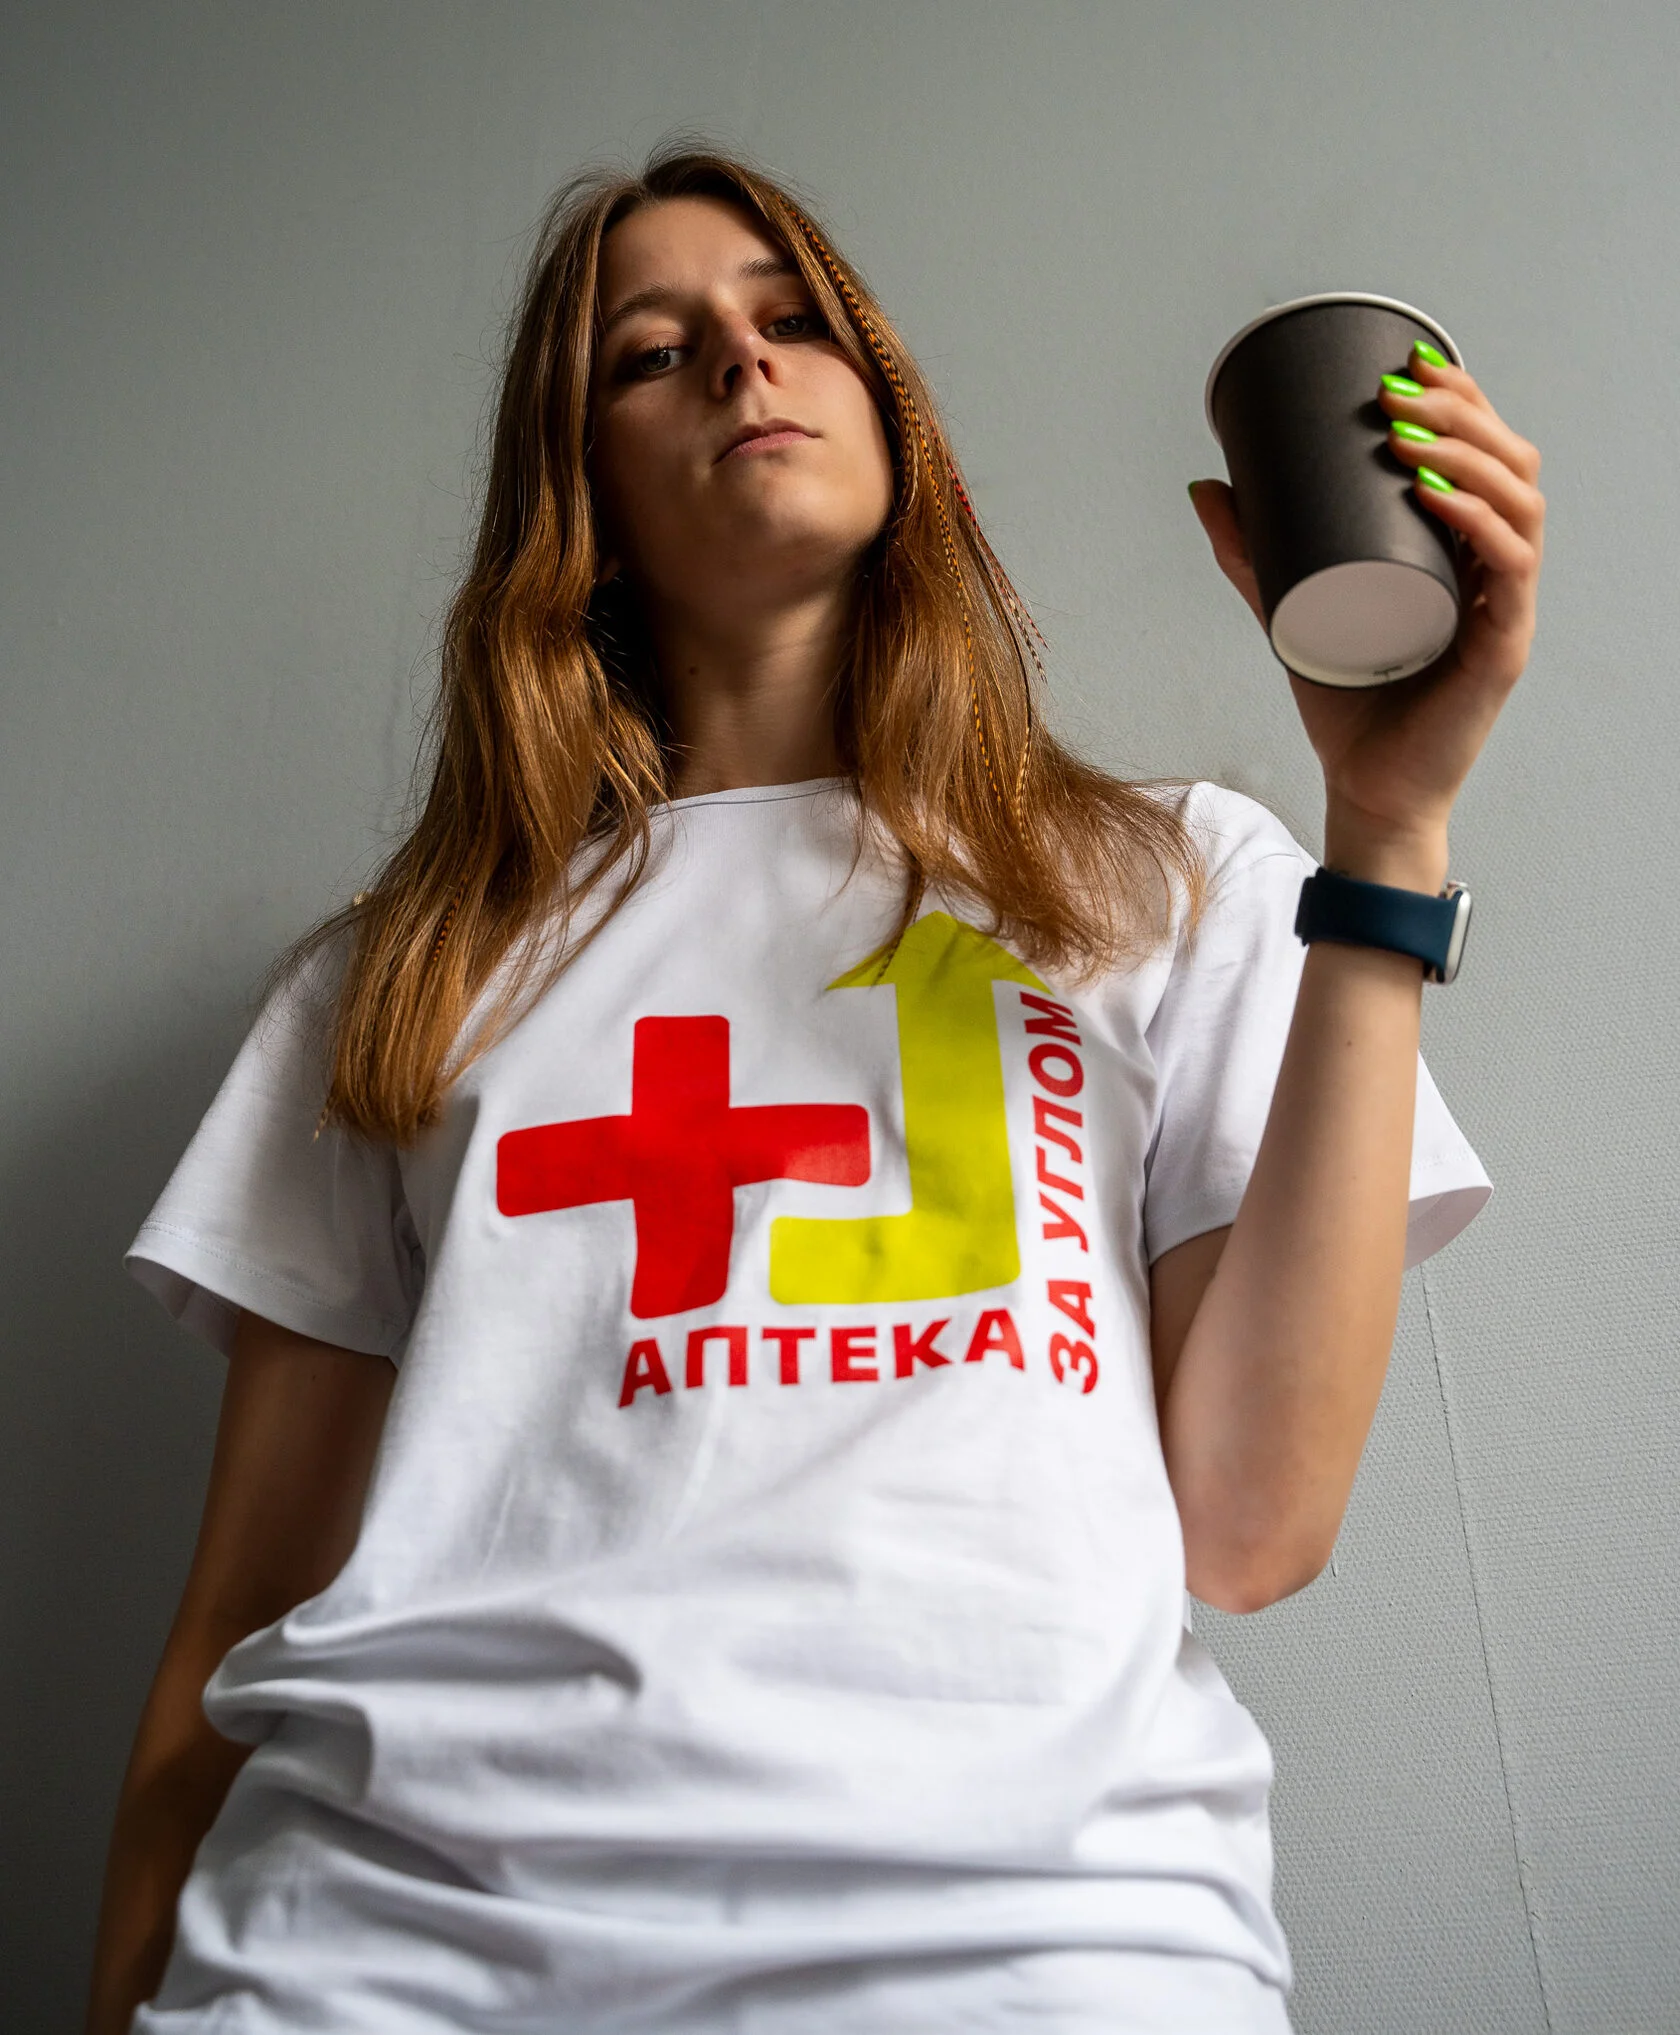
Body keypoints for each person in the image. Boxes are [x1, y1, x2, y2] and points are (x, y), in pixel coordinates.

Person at [84, 140, 1543, 2035]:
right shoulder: (403, 971)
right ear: (582, 492)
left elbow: (1256, 1525)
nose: (739, 360)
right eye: (652, 350)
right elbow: (231, 1627)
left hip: (1036, 1948)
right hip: (382, 1955)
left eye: (793, 321)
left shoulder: (1166, 882)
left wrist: (1390, 827)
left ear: (889, 410)